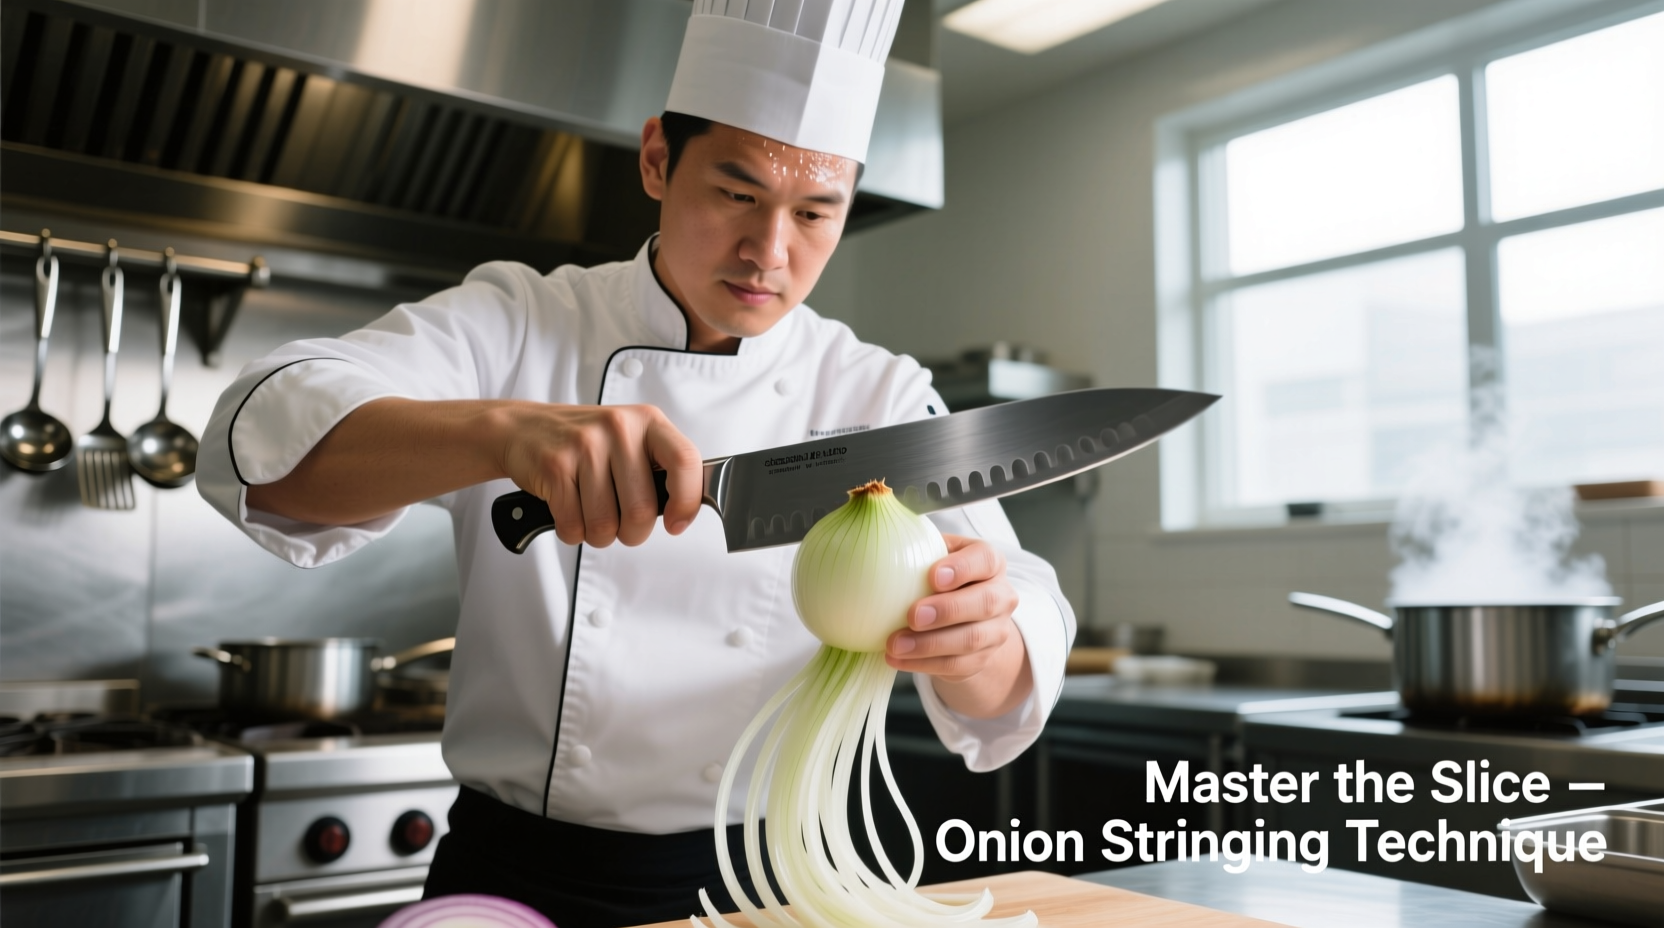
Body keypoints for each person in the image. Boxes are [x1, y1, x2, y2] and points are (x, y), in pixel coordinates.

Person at [198, 2, 1074, 925]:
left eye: (817, 213)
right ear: (657, 159)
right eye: (737, 194)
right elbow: (260, 439)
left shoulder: (876, 395)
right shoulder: (518, 322)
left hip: (765, 884)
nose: (769, 254)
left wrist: (974, 641)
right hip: (514, 873)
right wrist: (502, 434)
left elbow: (1019, 644)